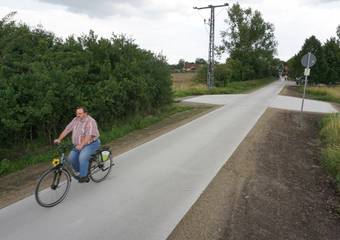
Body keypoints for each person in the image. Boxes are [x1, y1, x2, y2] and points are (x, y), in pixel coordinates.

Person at [54, 106, 100, 183]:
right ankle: (83, 170)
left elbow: (89, 136)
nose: (78, 115)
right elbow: (67, 129)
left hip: (91, 144)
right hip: (78, 145)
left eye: (80, 113)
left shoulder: (90, 121)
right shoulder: (75, 120)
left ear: (85, 113)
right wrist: (59, 139)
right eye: (77, 113)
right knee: (71, 159)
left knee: (82, 157)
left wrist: (81, 145)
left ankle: (84, 176)